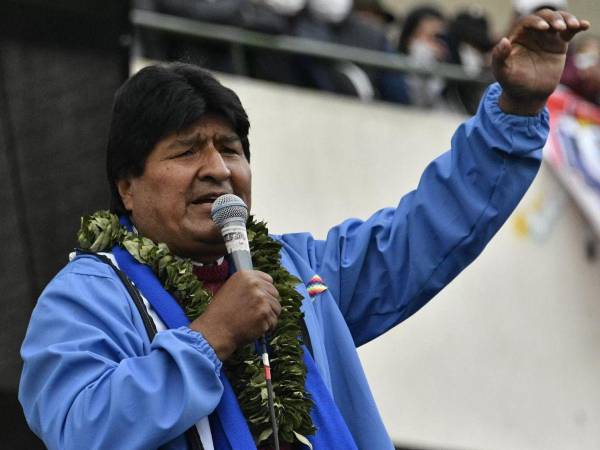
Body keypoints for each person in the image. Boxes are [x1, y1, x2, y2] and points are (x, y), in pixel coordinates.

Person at [19, 9, 589, 450]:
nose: (217, 169)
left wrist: (514, 108)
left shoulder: (298, 272)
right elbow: (80, 429)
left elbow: (425, 230)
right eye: (187, 150)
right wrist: (212, 335)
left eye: (230, 148)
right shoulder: (88, 296)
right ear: (127, 185)